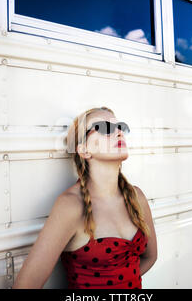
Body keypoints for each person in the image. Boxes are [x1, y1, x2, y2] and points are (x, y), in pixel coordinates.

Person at [13, 106, 157, 289]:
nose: (119, 132)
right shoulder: (71, 206)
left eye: (121, 126)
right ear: (84, 150)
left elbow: (150, 257)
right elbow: (26, 286)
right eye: (105, 128)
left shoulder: (137, 197)